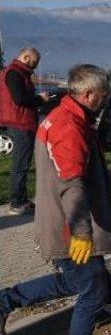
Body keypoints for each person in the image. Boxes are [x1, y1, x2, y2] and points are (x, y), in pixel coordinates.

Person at [0, 65, 111, 335]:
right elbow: (72, 186)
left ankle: (7, 300)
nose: (106, 99)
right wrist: (81, 233)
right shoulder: (69, 126)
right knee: (94, 290)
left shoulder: (69, 118)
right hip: (70, 231)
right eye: (104, 95)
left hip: (64, 226)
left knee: (74, 282)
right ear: (89, 94)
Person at [0, 47, 50, 215]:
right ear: (26, 56)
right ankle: (17, 202)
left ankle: (21, 198)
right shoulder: (15, 73)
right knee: (20, 163)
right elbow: (19, 98)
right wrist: (39, 99)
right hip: (20, 123)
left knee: (23, 163)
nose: (35, 66)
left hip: (21, 121)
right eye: (34, 62)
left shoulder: (18, 73)